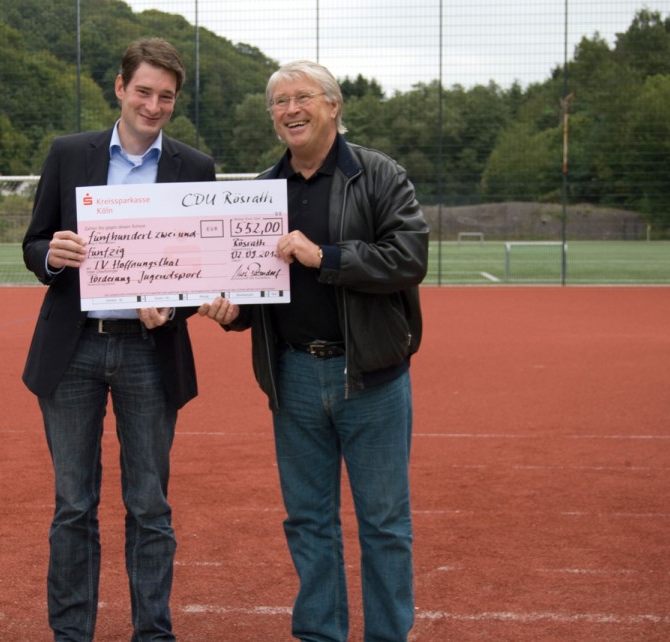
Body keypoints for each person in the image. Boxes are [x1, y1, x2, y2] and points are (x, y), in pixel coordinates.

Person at [199, 61, 429, 642]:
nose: (290, 110)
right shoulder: (259, 193)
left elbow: (408, 259)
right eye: (279, 102)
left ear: (334, 105)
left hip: (371, 376)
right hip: (292, 376)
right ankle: (319, 634)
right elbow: (254, 293)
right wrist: (233, 314)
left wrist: (324, 256)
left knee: (384, 524)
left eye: (303, 97)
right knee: (308, 520)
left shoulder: (378, 175)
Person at [21, 38, 215, 641]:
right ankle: (71, 634)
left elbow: (200, 268)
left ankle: (152, 632)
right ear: (119, 88)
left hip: (148, 352)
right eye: (144, 91)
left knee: (149, 504)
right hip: (73, 348)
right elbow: (34, 244)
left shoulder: (195, 167)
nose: (153, 106)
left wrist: (174, 306)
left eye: (166, 97)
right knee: (74, 505)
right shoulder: (68, 154)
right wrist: (50, 254)